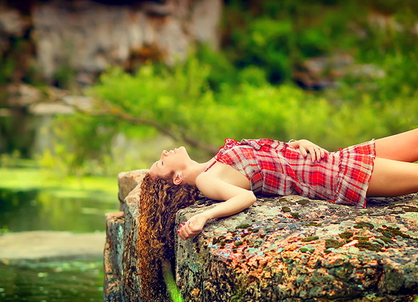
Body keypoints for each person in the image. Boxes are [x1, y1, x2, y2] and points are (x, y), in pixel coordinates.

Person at [139, 128, 418, 242]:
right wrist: (203, 216)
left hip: (334, 159)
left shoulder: (214, 163)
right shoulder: (206, 180)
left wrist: (297, 143)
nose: (164, 154)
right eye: (161, 163)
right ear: (176, 179)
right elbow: (244, 198)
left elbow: (270, 158)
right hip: (338, 176)